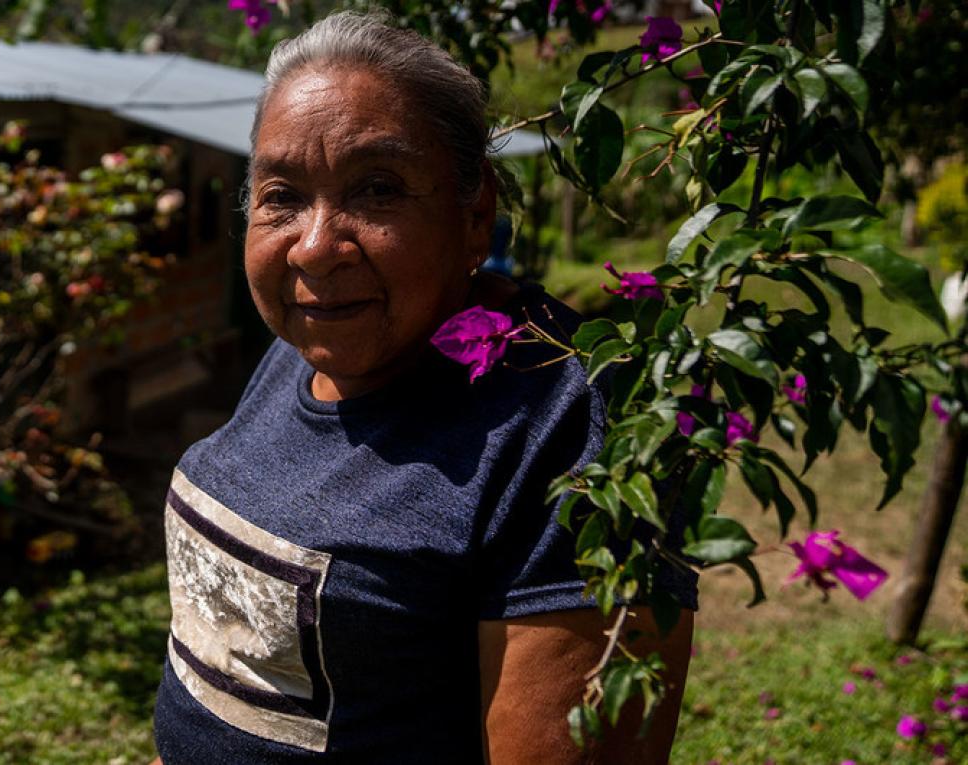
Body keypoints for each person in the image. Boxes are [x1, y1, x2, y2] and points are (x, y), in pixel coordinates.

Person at [149, 12, 696, 764]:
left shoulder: (565, 425)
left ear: (475, 216)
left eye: (376, 190)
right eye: (281, 195)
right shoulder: (311, 340)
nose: (314, 247)